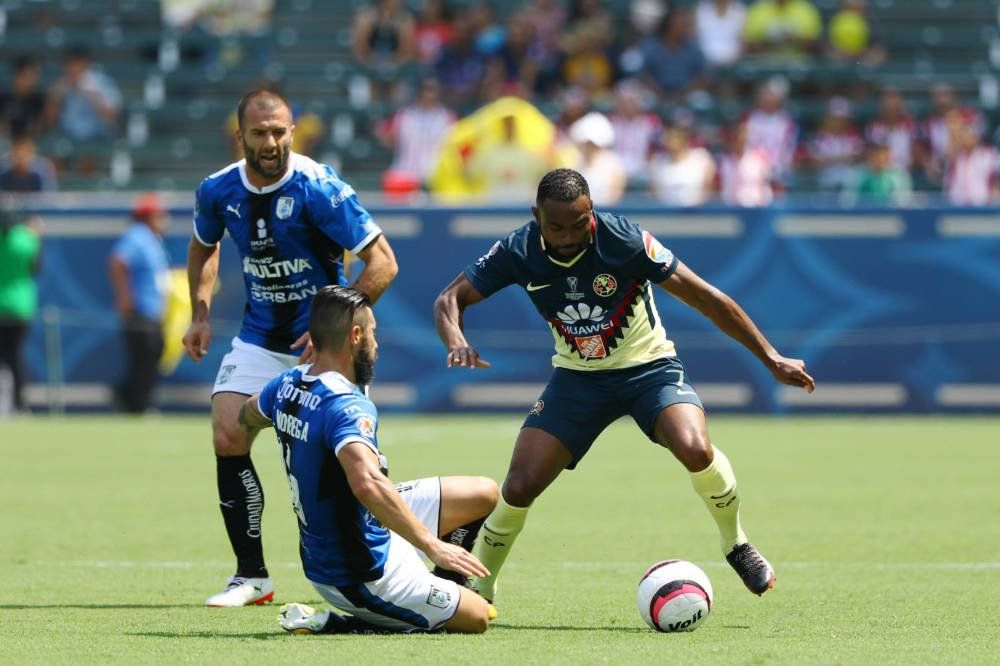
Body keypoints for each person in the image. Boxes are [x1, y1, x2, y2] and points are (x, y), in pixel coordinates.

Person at [433, 168, 815, 604]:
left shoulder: (624, 240)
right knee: (519, 486)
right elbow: (450, 299)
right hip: (578, 379)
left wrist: (770, 357)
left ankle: (736, 544)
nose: (570, 236)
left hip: (648, 368)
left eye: (580, 223)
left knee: (695, 448)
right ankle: (481, 588)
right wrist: (457, 341)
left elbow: (706, 297)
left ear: (592, 209)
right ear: (536, 216)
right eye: (557, 227)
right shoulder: (517, 249)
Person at [183, 88, 399, 607]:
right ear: (241, 137)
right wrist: (200, 313)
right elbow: (203, 247)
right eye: (259, 133)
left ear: (292, 130)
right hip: (259, 338)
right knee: (227, 430)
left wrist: (335, 322)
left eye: (279, 131)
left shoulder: (319, 187)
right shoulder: (216, 191)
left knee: (347, 463)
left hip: (323, 347)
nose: (270, 142)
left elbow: (383, 263)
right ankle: (251, 577)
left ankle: (377, 565)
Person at [236, 285, 497, 634]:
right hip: (358, 571)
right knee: (479, 618)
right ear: (355, 335)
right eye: (373, 332)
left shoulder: (286, 384)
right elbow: (367, 483)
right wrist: (432, 545)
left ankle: (444, 583)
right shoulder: (347, 404)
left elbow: (246, 414)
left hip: (359, 529)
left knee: (483, 492)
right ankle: (341, 624)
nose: (377, 342)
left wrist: (284, 410)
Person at [108, 193, 170, 414]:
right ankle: (135, 403)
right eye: (160, 214)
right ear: (148, 216)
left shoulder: (152, 239)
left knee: (151, 357)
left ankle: (131, 399)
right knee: (142, 359)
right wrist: (125, 297)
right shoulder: (137, 236)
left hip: (152, 310)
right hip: (140, 310)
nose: (164, 219)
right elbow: (118, 261)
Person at [0, 207, 40, 415]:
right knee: (15, 357)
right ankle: (19, 404)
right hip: (20, 307)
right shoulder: (26, 240)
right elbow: (35, 268)